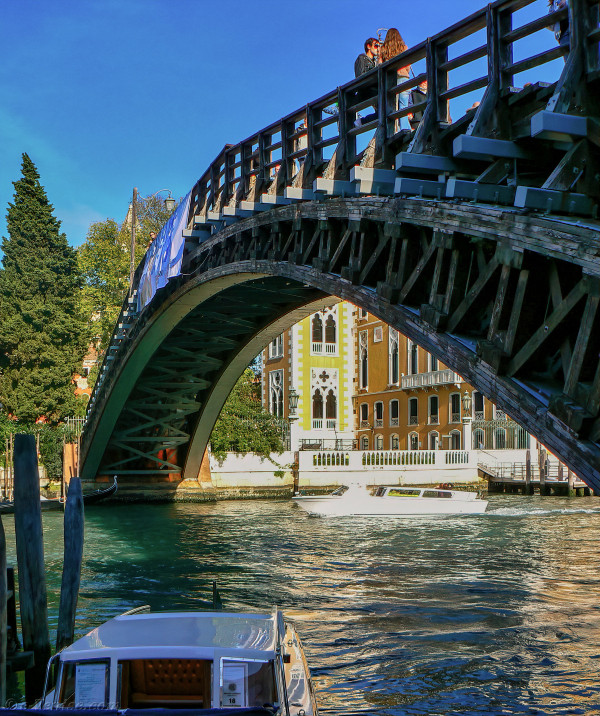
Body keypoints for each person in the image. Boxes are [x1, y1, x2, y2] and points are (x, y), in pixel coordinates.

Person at [380, 28, 411, 130]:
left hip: (390, 79)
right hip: (403, 77)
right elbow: (407, 65)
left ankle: (392, 130)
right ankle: (405, 128)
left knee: (391, 106)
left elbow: (380, 66)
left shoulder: (383, 49)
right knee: (403, 105)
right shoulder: (404, 47)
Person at [354, 38, 381, 126]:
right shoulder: (362, 58)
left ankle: (362, 121)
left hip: (375, 89)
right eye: (376, 45)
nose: (378, 48)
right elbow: (360, 76)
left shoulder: (376, 62)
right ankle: (362, 121)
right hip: (367, 90)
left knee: (383, 112)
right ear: (368, 46)